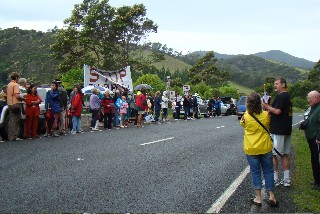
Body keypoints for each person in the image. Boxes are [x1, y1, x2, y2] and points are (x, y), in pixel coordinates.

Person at [240, 92, 278, 207]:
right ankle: (272, 195)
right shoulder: (266, 115)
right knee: (269, 171)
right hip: (265, 147)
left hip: (251, 148)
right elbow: (269, 124)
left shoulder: (245, 117)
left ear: (248, 104)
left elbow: (242, 124)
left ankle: (258, 198)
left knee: (255, 172)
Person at [263, 77, 292, 187]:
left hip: (278, 129)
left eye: (277, 84)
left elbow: (278, 111)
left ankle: (275, 179)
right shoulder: (288, 96)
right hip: (286, 128)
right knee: (284, 154)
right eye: (274, 84)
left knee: (273, 154)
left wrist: (266, 106)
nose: (275, 85)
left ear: (283, 85)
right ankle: (286, 179)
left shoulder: (282, 96)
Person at [304, 90, 320, 191]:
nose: (308, 100)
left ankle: (319, 182)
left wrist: (319, 137)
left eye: (310, 98)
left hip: (316, 139)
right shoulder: (313, 107)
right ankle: (316, 180)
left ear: (316, 98)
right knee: (314, 159)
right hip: (311, 137)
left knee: (317, 160)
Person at [7, 72, 25, 141]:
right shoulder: (15, 85)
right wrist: (23, 99)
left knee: (11, 120)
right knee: (16, 121)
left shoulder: (9, 84)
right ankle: (14, 136)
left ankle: (10, 136)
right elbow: (17, 95)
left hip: (10, 103)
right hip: (16, 103)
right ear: (16, 78)